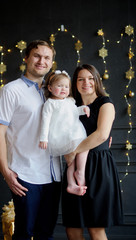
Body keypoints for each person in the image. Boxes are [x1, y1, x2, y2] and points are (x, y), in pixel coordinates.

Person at [0, 40, 62, 240]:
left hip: (53, 174)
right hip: (25, 174)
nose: (42, 61)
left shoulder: (54, 93)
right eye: (37, 56)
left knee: (46, 233)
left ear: (51, 63)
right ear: (26, 58)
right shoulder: (10, 90)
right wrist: (5, 171)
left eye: (47, 58)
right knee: (24, 233)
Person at [62, 64, 124, 240]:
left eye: (90, 78)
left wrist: (73, 151)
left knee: (95, 229)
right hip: (72, 168)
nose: (86, 82)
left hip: (99, 167)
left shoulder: (105, 103)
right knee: (72, 229)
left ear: (97, 81)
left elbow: (101, 135)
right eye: (81, 79)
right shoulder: (69, 105)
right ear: (75, 83)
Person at [39, 70, 89, 196]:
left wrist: (83, 109)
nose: (63, 89)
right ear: (50, 88)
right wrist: (43, 138)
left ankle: (74, 181)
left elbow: (74, 112)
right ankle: (78, 175)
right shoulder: (50, 103)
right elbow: (45, 121)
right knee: (70, 159)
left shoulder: (70, 101)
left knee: (79, 151)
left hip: (73, 131)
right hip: (60, 135)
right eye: (59, 86)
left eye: (66, 86)